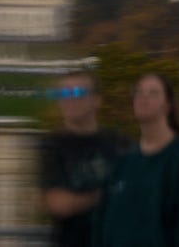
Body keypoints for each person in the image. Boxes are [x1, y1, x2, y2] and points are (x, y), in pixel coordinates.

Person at [94, 73, 179, 247]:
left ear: (168, 105)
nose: (144, 97)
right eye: (139, 93)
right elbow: (104, 227)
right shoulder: (123, 163)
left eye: (153, 93)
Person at [41, 71, 131, 247]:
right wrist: (109, 194)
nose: (70, 99)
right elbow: (59, 204)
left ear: (97, 100)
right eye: (64, 93)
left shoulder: (121, 143)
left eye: (79, 93)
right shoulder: (52, 146)